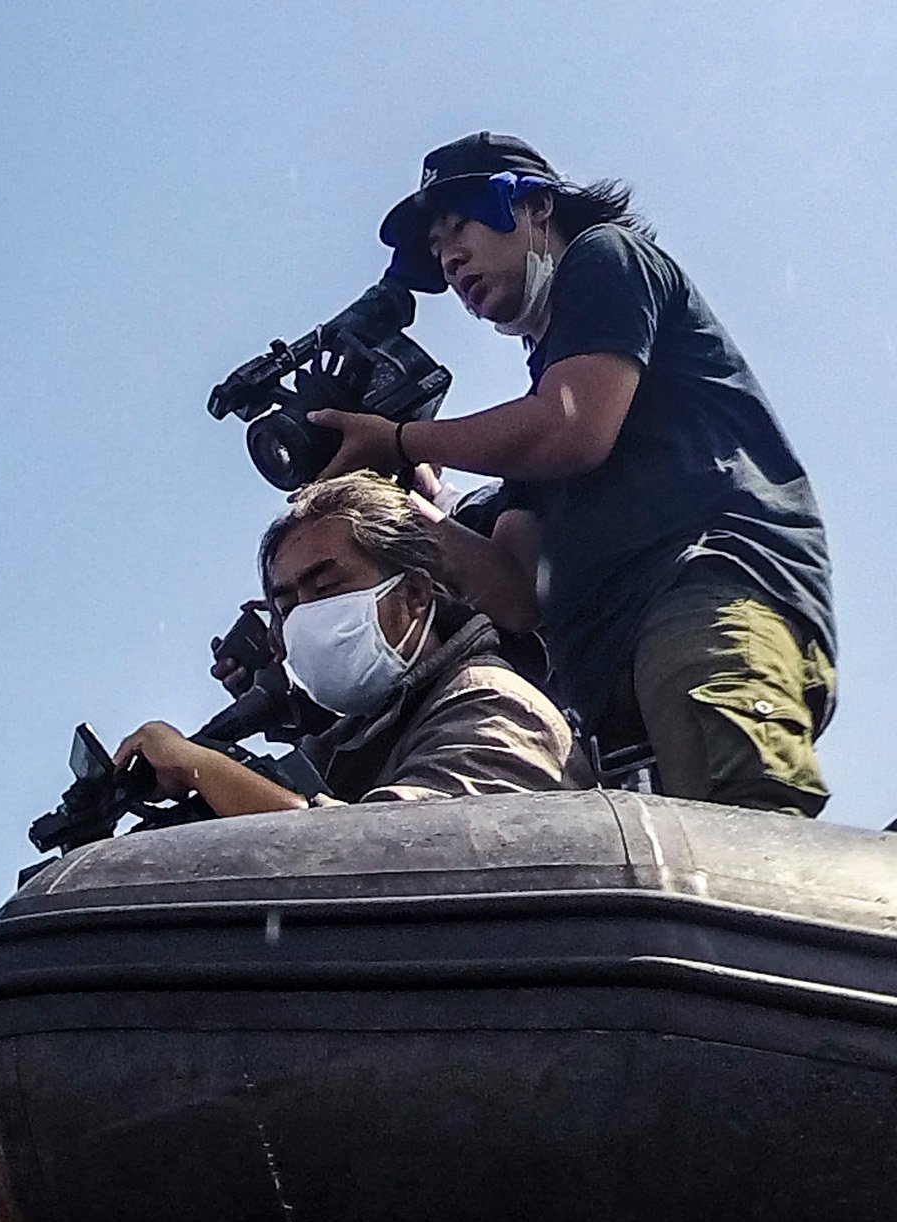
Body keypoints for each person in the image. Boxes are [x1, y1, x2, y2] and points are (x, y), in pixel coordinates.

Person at [310, 136, 835, 815]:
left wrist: (402, 436)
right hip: (608, 672)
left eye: (460, 225)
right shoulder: (535, 411)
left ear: (534, 206)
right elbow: (514, 593)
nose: (449, 257)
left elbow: (572, 428)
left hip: (701, 592)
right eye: (436, 250)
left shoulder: (607, 258)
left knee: (749, 854)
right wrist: (398, 503)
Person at [118, 471, 588, 815]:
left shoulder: (490, 703)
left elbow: (381, 868)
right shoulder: (351, 738)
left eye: (326, 589)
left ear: (415, 595)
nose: (305, 618)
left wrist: (200, 766)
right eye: (287, 606)